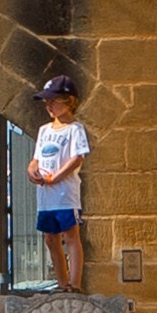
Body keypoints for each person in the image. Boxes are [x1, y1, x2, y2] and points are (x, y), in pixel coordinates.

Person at [29, 71, 95, 292]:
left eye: (53, 101)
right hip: (46, 196)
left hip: (65, 193)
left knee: (70, 236)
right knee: (51, 239)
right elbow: (36, 158)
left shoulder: (75, 129)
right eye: (47, 102)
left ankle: (74, 283)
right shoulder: (44, 130)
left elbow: (77, 157)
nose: (49, 106)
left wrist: (57, 176)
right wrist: (32, 171)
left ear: (68, 102)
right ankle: (61, 282)